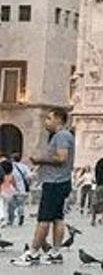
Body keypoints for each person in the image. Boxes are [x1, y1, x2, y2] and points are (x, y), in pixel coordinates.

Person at [20, 108, 75, 264]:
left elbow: (62, 158)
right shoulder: (61, 136)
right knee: (58, 218)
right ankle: (55, 253)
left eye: (49, 119)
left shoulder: (62, 136)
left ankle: (33, 253)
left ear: (58, 120)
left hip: (55, 183)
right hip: (61, 181)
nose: (46, 122)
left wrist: (40, 160)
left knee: (44, 219)